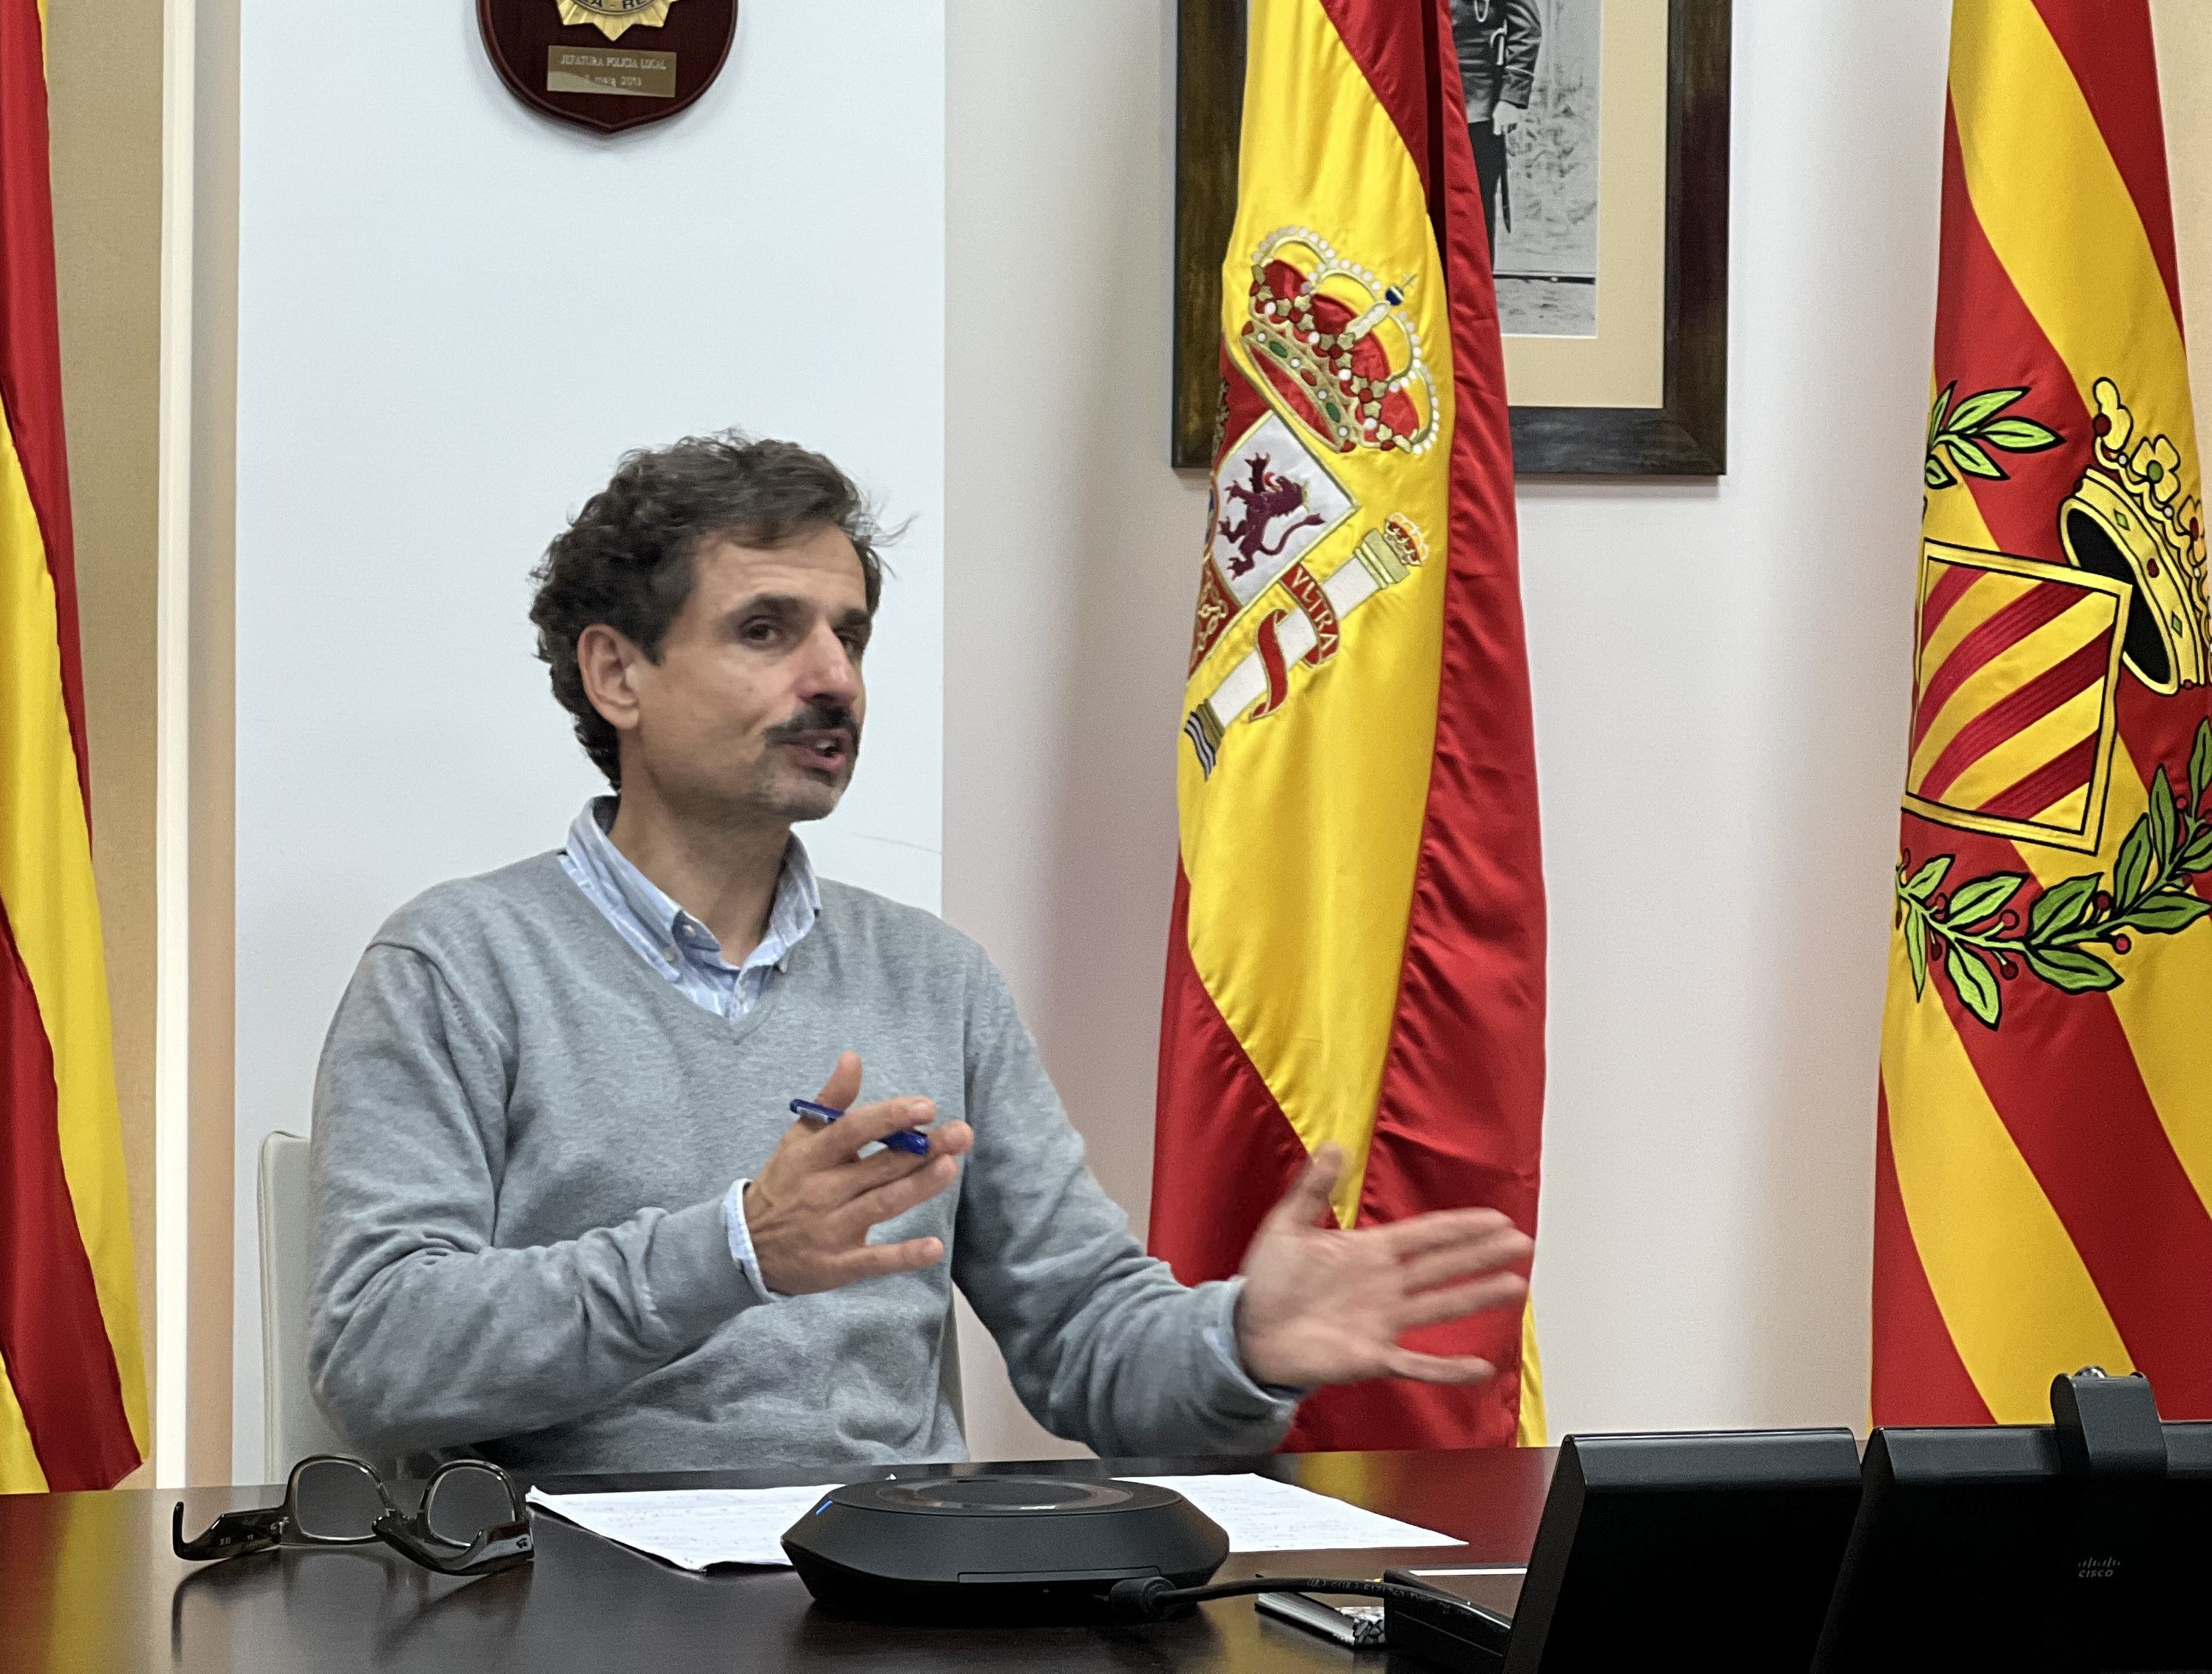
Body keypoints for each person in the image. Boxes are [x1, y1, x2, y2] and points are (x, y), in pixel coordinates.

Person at [308, 435, 1530, 1475]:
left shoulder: (933, 980)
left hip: (884, 1593)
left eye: (847, 634)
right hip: (570, 1597)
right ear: (616, 672)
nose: (833, 678)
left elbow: (1084, 1333)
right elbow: (377, 1353)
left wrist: (1240, 1343)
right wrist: (732, 1248)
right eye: (766, 630)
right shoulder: (455, 966)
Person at [1430, 0, 1542, 252]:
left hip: (1479, 102)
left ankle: (1474, 292)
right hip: (1425, 100)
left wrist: (1510, 99)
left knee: (1475, 205)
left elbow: (1526, 28)